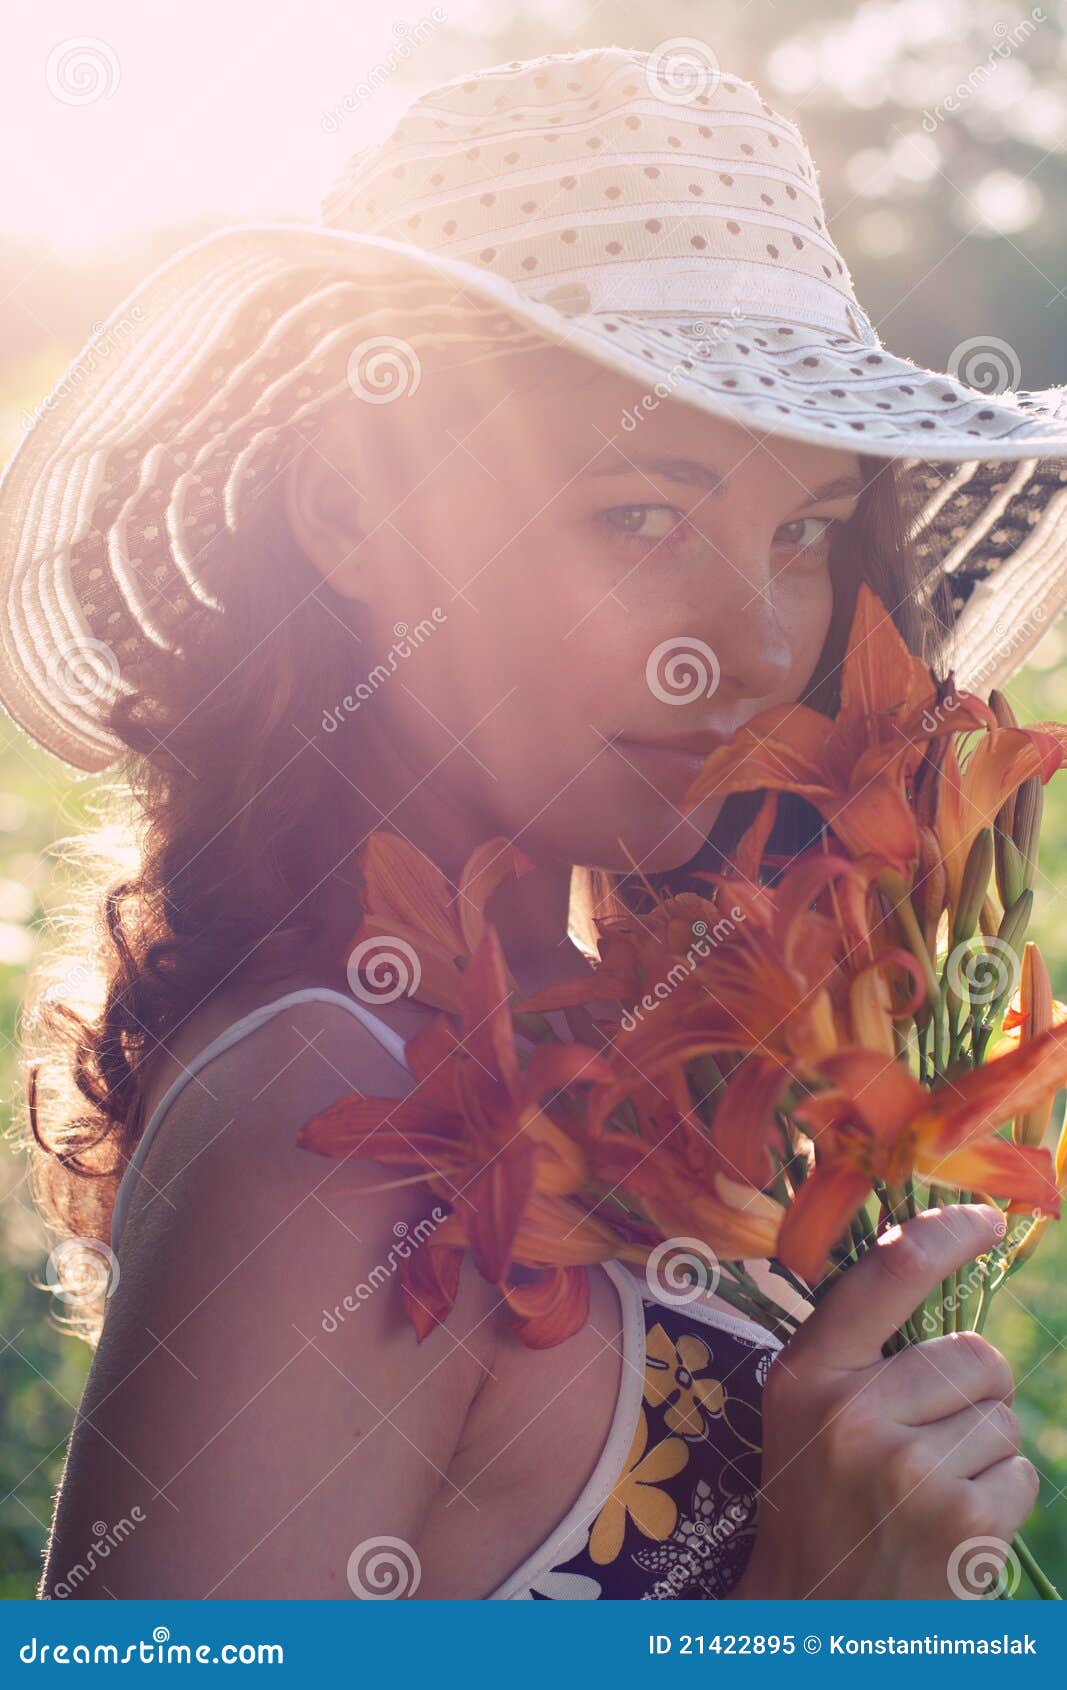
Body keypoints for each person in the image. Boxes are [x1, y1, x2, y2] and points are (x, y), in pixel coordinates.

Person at [5, 45, 1067, 1601]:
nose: (764, 643)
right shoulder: (336, 1109)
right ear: (352, 512)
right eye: (640, 513)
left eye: (804, 532)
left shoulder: (597, 1065)